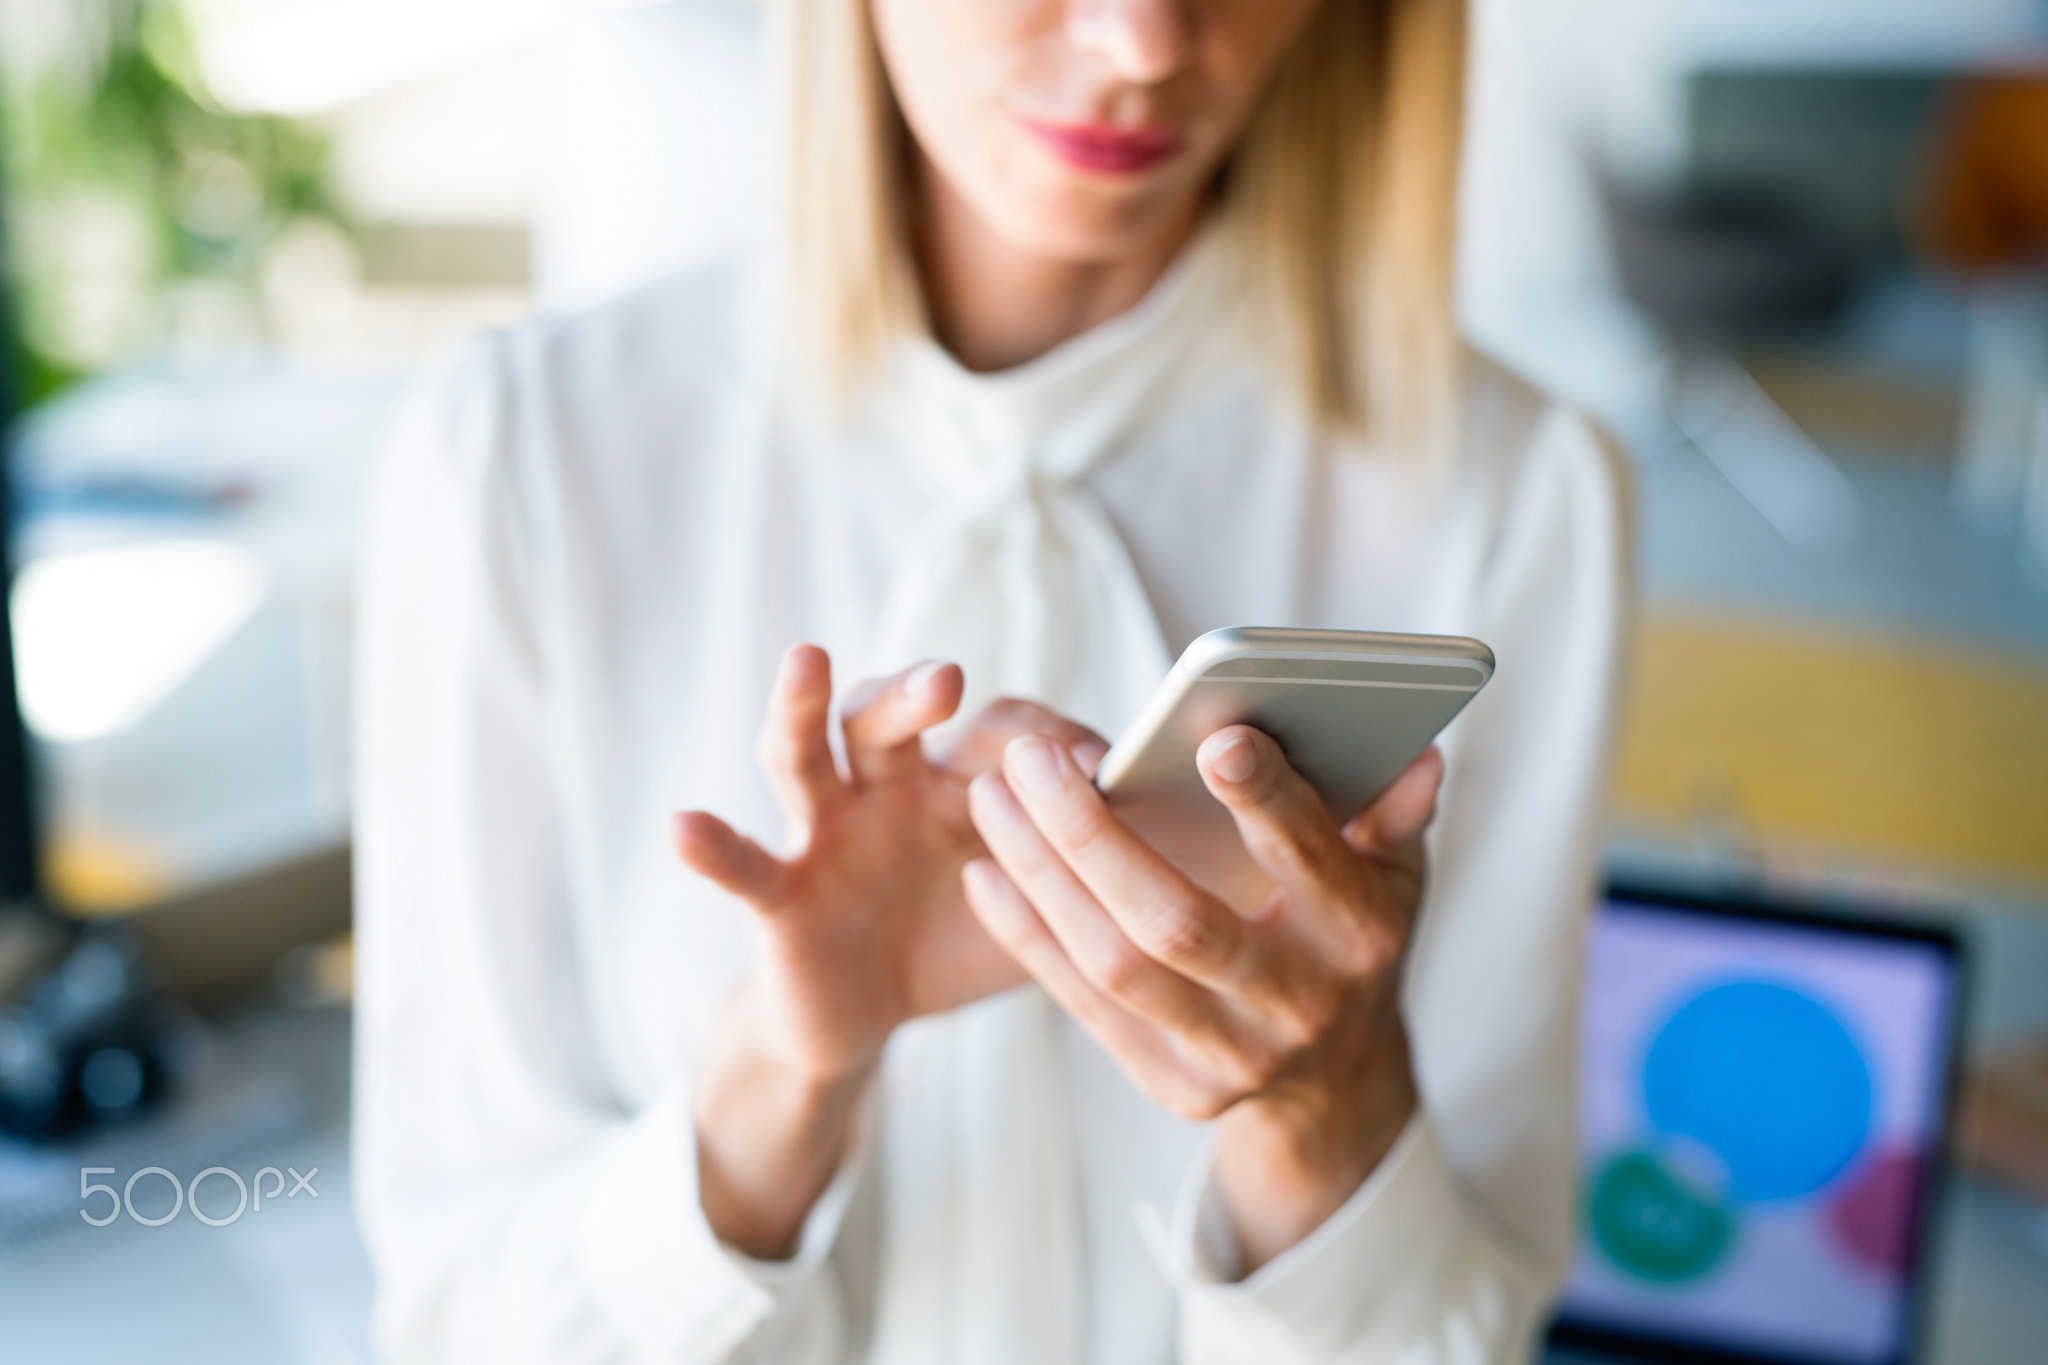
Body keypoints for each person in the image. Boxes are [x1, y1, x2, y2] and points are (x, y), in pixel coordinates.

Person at [352, 0, 1630, 1361]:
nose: (1144, 44)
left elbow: (1470, 1331)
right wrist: (778, 1075)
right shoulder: (521, 457)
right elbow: (459, 1321)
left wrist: (1322, 1114)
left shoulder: (1518, 496)